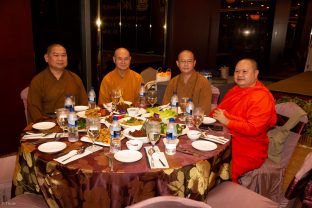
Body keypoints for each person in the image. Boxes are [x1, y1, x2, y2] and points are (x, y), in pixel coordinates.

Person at [210, 58, 277, 183]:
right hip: (227, 138)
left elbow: (254, 129)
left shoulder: (261, 97)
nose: (239, 75)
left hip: (248, 148)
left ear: (256, 74)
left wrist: (228, 121)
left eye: (244, 71)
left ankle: (226, 195)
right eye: (236, 71)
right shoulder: (235, 90)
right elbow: (219, 112)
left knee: (221, 168)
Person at [27, 43, 88, 123]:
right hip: (47, 125)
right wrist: (43, 124)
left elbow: (84, 105)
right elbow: (34, 109)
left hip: (72, 124)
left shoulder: (75, 79)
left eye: (63, 55)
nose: (60, 59)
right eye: (56, 55)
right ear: (46, 58)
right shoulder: (38, 81)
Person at [162, 50, 212, 114]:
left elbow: (205, 109)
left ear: (194, 63)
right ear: (177, 63)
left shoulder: (203, 82)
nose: (186, 64)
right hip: (174, 120)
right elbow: (165, 105)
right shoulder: (173, 81)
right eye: (183, 61)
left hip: (195, 121)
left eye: (189, 61)